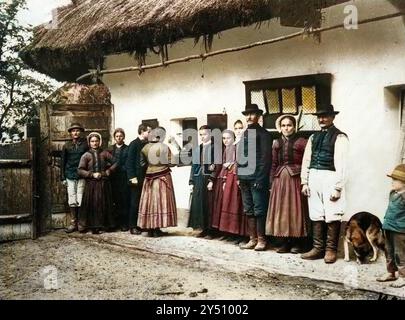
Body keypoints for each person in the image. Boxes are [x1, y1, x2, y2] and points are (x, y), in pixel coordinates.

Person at [301, 104, 349, 263]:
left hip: (330, 177)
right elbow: (306, 160)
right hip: (314, 177)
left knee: (332, 213)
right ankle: (317, 248)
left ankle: (330, 250)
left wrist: (338, 187)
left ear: (333, 117)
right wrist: (305, 182)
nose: (322, 119)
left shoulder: (340, 137)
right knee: (316, 213)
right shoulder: (313, 137)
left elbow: (343, 164)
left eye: (325, 116)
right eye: (319, 117)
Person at [266, 115, 309, 253]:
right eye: (283, 125)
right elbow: (273, 164)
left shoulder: (302, 142)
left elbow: (307, 162)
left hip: (295, 180)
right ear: (280, 127)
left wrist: (305, 181)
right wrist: (271, 183)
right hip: (279, 181)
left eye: (289, 125)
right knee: (282, 211)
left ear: (294, 126)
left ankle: (297, 242)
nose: (286, 128)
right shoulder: (276, 143)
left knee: (295, 210)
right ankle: (284, 242)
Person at [237, 104, 272, 251]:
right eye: (247, 114)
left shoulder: (263, 134)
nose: (249, 117)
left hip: (256, 179)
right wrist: (239, 176)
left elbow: (265, 159)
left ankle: (262, 241)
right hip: (244, 179)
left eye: (252, 114)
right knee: (248, 209)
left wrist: (260, 179)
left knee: (259, 209)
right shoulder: (245, 133)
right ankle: (252, 239)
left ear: (258, 116)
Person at [138, 127, 177, 237]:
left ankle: (150, 228)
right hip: (162, 176)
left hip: (149, 178)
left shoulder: (145, 147)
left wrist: (151, 166)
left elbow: (142, 164)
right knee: (160, 202)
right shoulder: (164, 147)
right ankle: (157, 228)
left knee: (150, 202)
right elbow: (173, 162)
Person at [78, 132, 117, 234]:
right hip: (91, 185)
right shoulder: (86, 155)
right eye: (92, 141)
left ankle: (106, 225)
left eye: (96, 141)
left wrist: (108, 171)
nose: (94, 143)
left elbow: (116, 162)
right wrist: (91, 175)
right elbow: (80, 170)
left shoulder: (105, 153)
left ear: (100, 142)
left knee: (104, 203)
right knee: (93, 204)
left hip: (104, 184)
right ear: (89, 143)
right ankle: (93, 226)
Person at [376, 164, 405, 288]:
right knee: (389, 251)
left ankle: (403, 276)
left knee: (400, 253)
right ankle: (391, 272)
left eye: (395, 180)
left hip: (400, 230)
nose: (392, 182)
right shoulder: (393, 193)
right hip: (388, 227)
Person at [216, 129, 247, 241]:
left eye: (228, 138)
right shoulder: (226, 149)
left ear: (233, 138)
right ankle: (229, 232)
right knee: (228, 203)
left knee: (237, 204)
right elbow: (224, 165)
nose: (225, 140)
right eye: (223, 138)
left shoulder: (238, 147)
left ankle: (239, 233)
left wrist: (232, 164)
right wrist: (224, 178)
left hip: (236, 177)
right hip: (229, 177)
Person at [188, 125, 215, 237]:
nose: (203, 137)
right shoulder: (197, 149)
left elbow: (217, 165)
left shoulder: (215, 148)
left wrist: (212, 179)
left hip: (208, 180)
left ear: (210, 134)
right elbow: (194, 166)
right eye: (201, 135)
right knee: (200, 204)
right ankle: (203, 229)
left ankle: (211, 230)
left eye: (205, 134)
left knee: (209, 204)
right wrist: (191, 182)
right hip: (199, 179)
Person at [61, 123, 88, 233]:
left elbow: (88, 159)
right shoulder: (66, 146)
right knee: (72, 199)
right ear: (70, 133)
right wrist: (62, 177)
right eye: (73, 131)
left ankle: (81, 223)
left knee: (80, 198)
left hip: (81, 175)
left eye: (77, 130)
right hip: (70, 175)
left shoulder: (85, 145)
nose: (75, 132)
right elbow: (63, 161)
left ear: (80, 132)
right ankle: (73, 222)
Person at [126, 124, 151, 234]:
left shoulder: (148, 144)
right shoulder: (134, 144)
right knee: (134, 202)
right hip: (136, 178)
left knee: (144, 202)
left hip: (146, 178)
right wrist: (132, 177)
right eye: (149, 132)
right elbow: (129, 162)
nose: (150, 134)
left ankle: (141, 224)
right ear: (142, 131)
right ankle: (133, 226)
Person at [109, 128, 130, 231]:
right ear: (114, 137)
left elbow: (128, 162)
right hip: (113, 178)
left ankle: (124, 223)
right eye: (117, 136)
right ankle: (114, 223)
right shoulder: (110, 149)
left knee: (123, 200)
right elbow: (107, 161)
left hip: (123, 177)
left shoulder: (127, 148)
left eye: (120, 136)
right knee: (114, 199)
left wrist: (122, 169)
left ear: (123, 137)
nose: (119, 138)